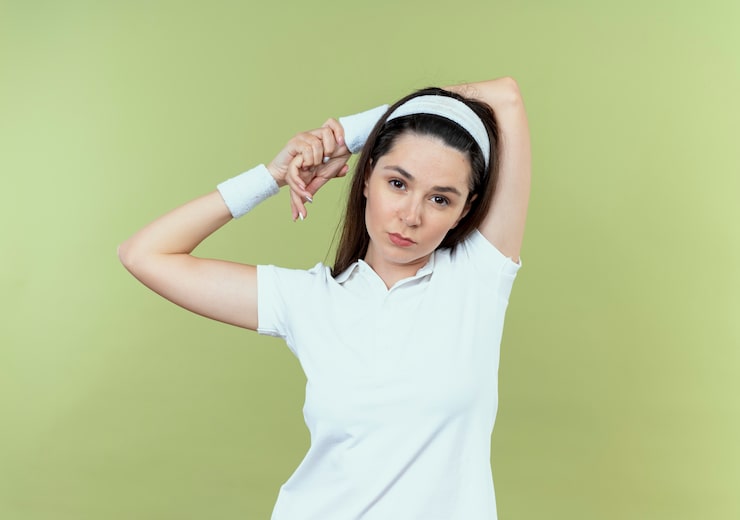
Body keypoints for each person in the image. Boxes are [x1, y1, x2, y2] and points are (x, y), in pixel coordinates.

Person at [119, 76, 531, 520]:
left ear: (464, 209)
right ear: (367, 176)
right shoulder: (308, 300)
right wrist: (272, 177)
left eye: (439, 199)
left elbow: (505, 96)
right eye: (397, 183)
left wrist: (350, 134)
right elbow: (144, 254)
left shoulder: (478, 276)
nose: (411, 215)